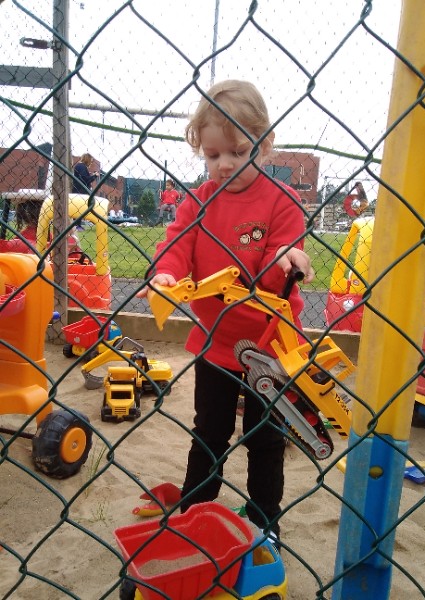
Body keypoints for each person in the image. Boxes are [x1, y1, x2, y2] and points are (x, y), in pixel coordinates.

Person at [138, 80, 314, 544]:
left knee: (265, 438)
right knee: (208, 433)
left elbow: (278, 262)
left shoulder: (282, 202)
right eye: (213, 155)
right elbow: (177, 244)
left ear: (265, 143)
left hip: (270, 346)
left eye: (239, 151)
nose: (225, 164)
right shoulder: (198, 202)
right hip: (217, 343)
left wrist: (285, 259)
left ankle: (264, 521)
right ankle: (194, 512)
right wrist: (166, 274)